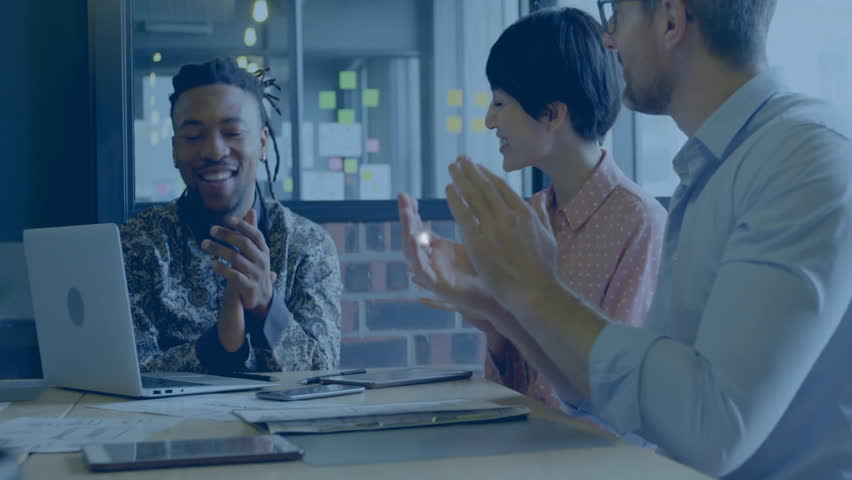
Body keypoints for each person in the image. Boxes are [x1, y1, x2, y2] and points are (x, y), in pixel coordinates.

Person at [445, 0, 852, 478]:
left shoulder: (804, 156)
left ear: (671, 21)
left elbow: (713, 428)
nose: (609, 38)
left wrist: (536, 290)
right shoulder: (712, 168)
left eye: (615, 14)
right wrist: (504, 306)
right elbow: (636, 405)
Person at [398, 7, 666, 416]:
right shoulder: (529, 217)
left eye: (500, 102)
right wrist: (491, 318)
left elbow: (617, 395)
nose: (490, 120)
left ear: (554, 113)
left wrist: (500, 307)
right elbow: (516, 388)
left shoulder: (639, 223)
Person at [121, 57, 342, 375]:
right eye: (194, 136)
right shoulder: (139, 244)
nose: (213, 151)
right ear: (174, 151)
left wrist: (267, 307)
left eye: (233, 132)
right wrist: (220, 346)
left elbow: (325, 376)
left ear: (262, 143)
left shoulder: (307, 246)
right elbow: (125, 373)